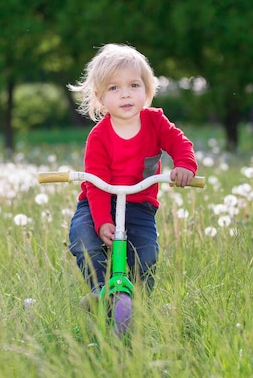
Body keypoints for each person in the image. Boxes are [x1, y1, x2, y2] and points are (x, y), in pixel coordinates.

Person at [67, 43, 198, 307]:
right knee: (84, 238)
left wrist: (184, 164)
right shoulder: (99, 137)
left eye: (134, 86)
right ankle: (101, 293)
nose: (125, 94)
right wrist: (102, 221)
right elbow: (96, 184)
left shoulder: (155, 122)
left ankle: (138, 305)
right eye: (114, 88)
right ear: (101, 98)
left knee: (146, 255)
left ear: (147, 90)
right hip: (98, 202)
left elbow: (179, 142)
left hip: (140, 206)